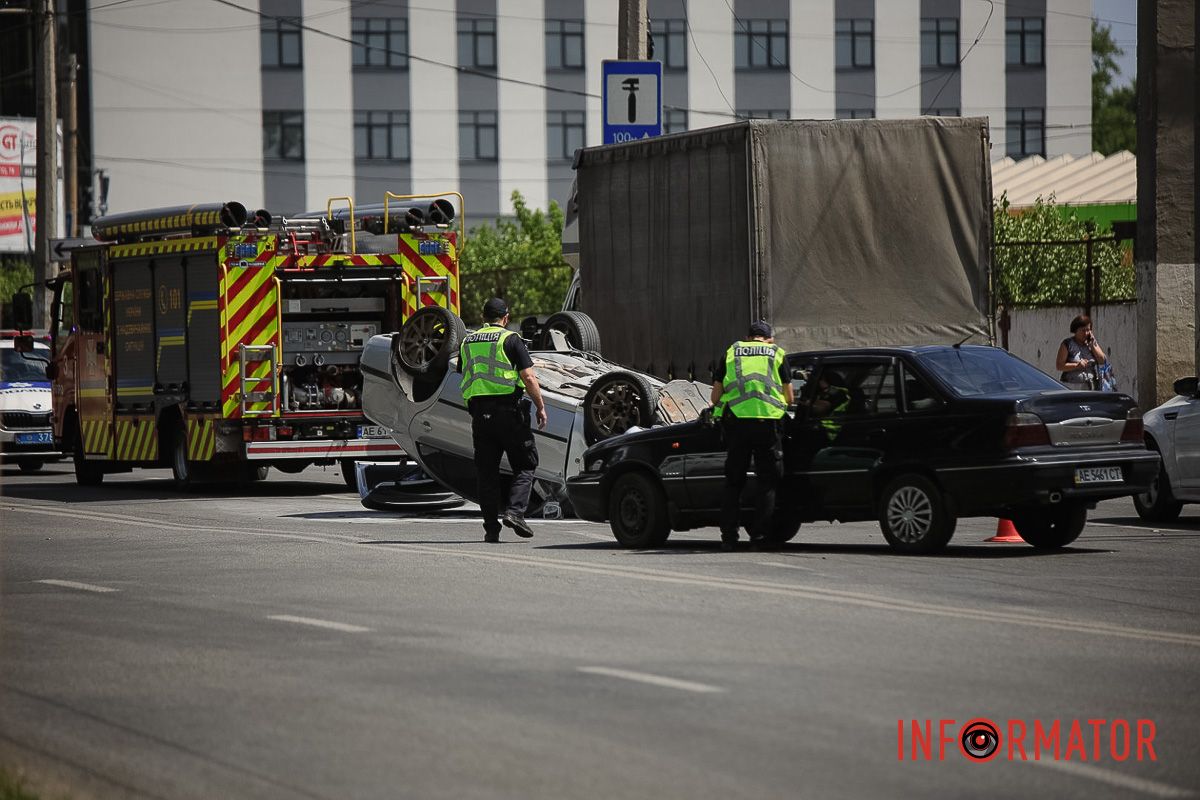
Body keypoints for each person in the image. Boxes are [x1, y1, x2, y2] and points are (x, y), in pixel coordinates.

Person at [458, 298, 549, 543]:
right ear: (506, 317)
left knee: (486, 473)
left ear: (482, 316)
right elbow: (529, 378)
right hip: (509, 412)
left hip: (480, 416)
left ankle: (491, 529)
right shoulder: (511, 339)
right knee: (526, 463)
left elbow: (464, 372)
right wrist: (541, 407)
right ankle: (515, 513)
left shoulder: (467, 342)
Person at [710, 320, 794, 551]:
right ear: (769, 339)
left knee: (734, 482)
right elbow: (789, 398)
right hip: (767, 425)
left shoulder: (732, 352)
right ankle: (759, 538)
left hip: (737, 425)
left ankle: (729, 538)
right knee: (767, 483)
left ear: (748, 337)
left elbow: (715, 398)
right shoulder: (776, 354)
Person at [1055, 314, 1107, 390]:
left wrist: (1092, 346)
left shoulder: (1092, 343)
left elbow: (1102, 360)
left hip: (1091, 386)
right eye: (1083, 330)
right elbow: (1059, 365)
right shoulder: (1067, 344)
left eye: (1088, 330)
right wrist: (1077, 365)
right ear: (1075, 330)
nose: (1085, 333)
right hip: (1072, 386)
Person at [802, 370, 850, 442]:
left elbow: (820, 408)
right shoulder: (833, 393)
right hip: (825, 431)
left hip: (829, 435)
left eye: (820, 379)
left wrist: (806, 403)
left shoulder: (840, 394)